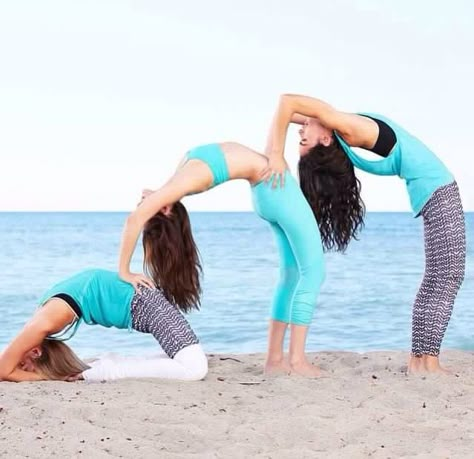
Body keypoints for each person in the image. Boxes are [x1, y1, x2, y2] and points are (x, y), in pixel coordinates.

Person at [262, 93, 466, 374]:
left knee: (438, 277)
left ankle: (422, 361)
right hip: (439, 191)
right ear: (324, 140)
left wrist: (275, 153)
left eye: (303, 134)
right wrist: (278, 149)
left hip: (432, 193)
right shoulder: (342, 128)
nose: (301, 129)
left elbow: (287, 106)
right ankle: (424, 361)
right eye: (304, 136)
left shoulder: (341, 127)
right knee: (446, 276)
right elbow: (290, 106)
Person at [119, 141, 325, 377]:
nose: (142, 205)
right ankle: (297, 361)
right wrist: (124, 270)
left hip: (266, 192)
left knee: (291, 276)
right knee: (313, 273)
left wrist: (152, 197)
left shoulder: (174, 184)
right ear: (165, 210)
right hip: (276, 187)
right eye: (147, 210)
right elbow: (133, 220)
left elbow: (148, 198)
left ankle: (275, 360)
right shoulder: (182, 182)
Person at [0, 208, 208, 382]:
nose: (21, 368)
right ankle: (108, 364)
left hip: (141, 302)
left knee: (194, 369)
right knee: (187, 360)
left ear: (36, 352)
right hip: (140, 301)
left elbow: (3, 370)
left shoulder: (42, 324)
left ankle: (104, 370)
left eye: (23, 366)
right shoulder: (42, 316)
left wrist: (50, 378)